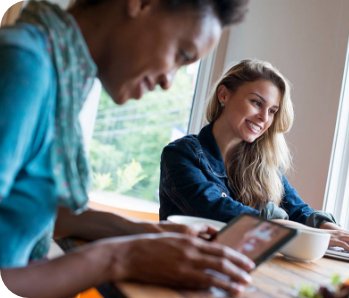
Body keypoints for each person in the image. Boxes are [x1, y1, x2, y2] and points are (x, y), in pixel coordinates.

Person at [0, 0, 256, 297]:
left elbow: (36, 210)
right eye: (181, 54)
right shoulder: (24, 67)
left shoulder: (56, 74)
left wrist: (147, 233)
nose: (168, 82)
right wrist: (120, 257)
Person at [159, 59, 349, 255]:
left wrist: (339, 233)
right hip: (182, 271)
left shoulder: (263, 163)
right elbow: (215, 210)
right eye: (256, 103)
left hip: (238, 270)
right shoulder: (180, 154)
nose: (264, 118)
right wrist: (312, 236)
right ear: (224, 94)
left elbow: (297, 210)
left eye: (272, 111)